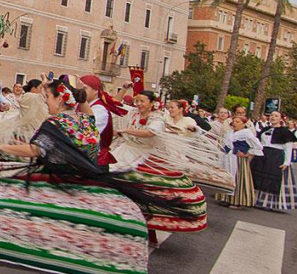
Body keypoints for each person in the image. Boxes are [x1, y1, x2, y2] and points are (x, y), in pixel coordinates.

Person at [0, 79, 153, 274]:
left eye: (47, 97)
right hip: (79, 185)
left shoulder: (55, 122)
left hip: (57, 186)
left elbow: (35, 151)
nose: (45, 103)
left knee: (52, 244)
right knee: (41, 242)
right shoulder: (83, 117)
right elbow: (72, 132)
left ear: (59, 99)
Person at [111, 91, 209, 240]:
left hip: (145, 154)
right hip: (125, 149)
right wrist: (123, 90)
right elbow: (115, 105)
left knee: (144, 188)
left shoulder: (158, 118)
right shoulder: (133, 113)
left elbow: (151, 132)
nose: (138, 104)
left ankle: (148, 223)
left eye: (142, 101)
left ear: (152, 103)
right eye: (137, 101)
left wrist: (126, 130)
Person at [251, 111, 297, 211]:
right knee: (258, 177)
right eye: (271, 115)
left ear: (281, 119)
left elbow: (288, 149)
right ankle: (255, 199)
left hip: (275, 156)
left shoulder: (285, 132)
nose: (273, 117)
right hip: (262, 154)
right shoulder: (265, 129)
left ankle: (268, 203)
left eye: (276, 116)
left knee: (271, 179)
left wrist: (286, 162)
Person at [79, 74, 127, 166]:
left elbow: (89, 133)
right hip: (83, 155)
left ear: (95, 91)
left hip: (96, 160)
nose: (81, 91)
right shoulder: (82, 105)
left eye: (84, 88)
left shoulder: (100, 109)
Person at [219, 115, 262, 208]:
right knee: (228, 176)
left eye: (238, 122)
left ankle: (238, 201)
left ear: (244, 124)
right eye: (234, 121)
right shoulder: (229, 133)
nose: (235, 123)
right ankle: (227, 198)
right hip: (228, 157)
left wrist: (247, 154)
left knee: (239, 178)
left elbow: (258, 146)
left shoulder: (247, 134)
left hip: (239, 160)